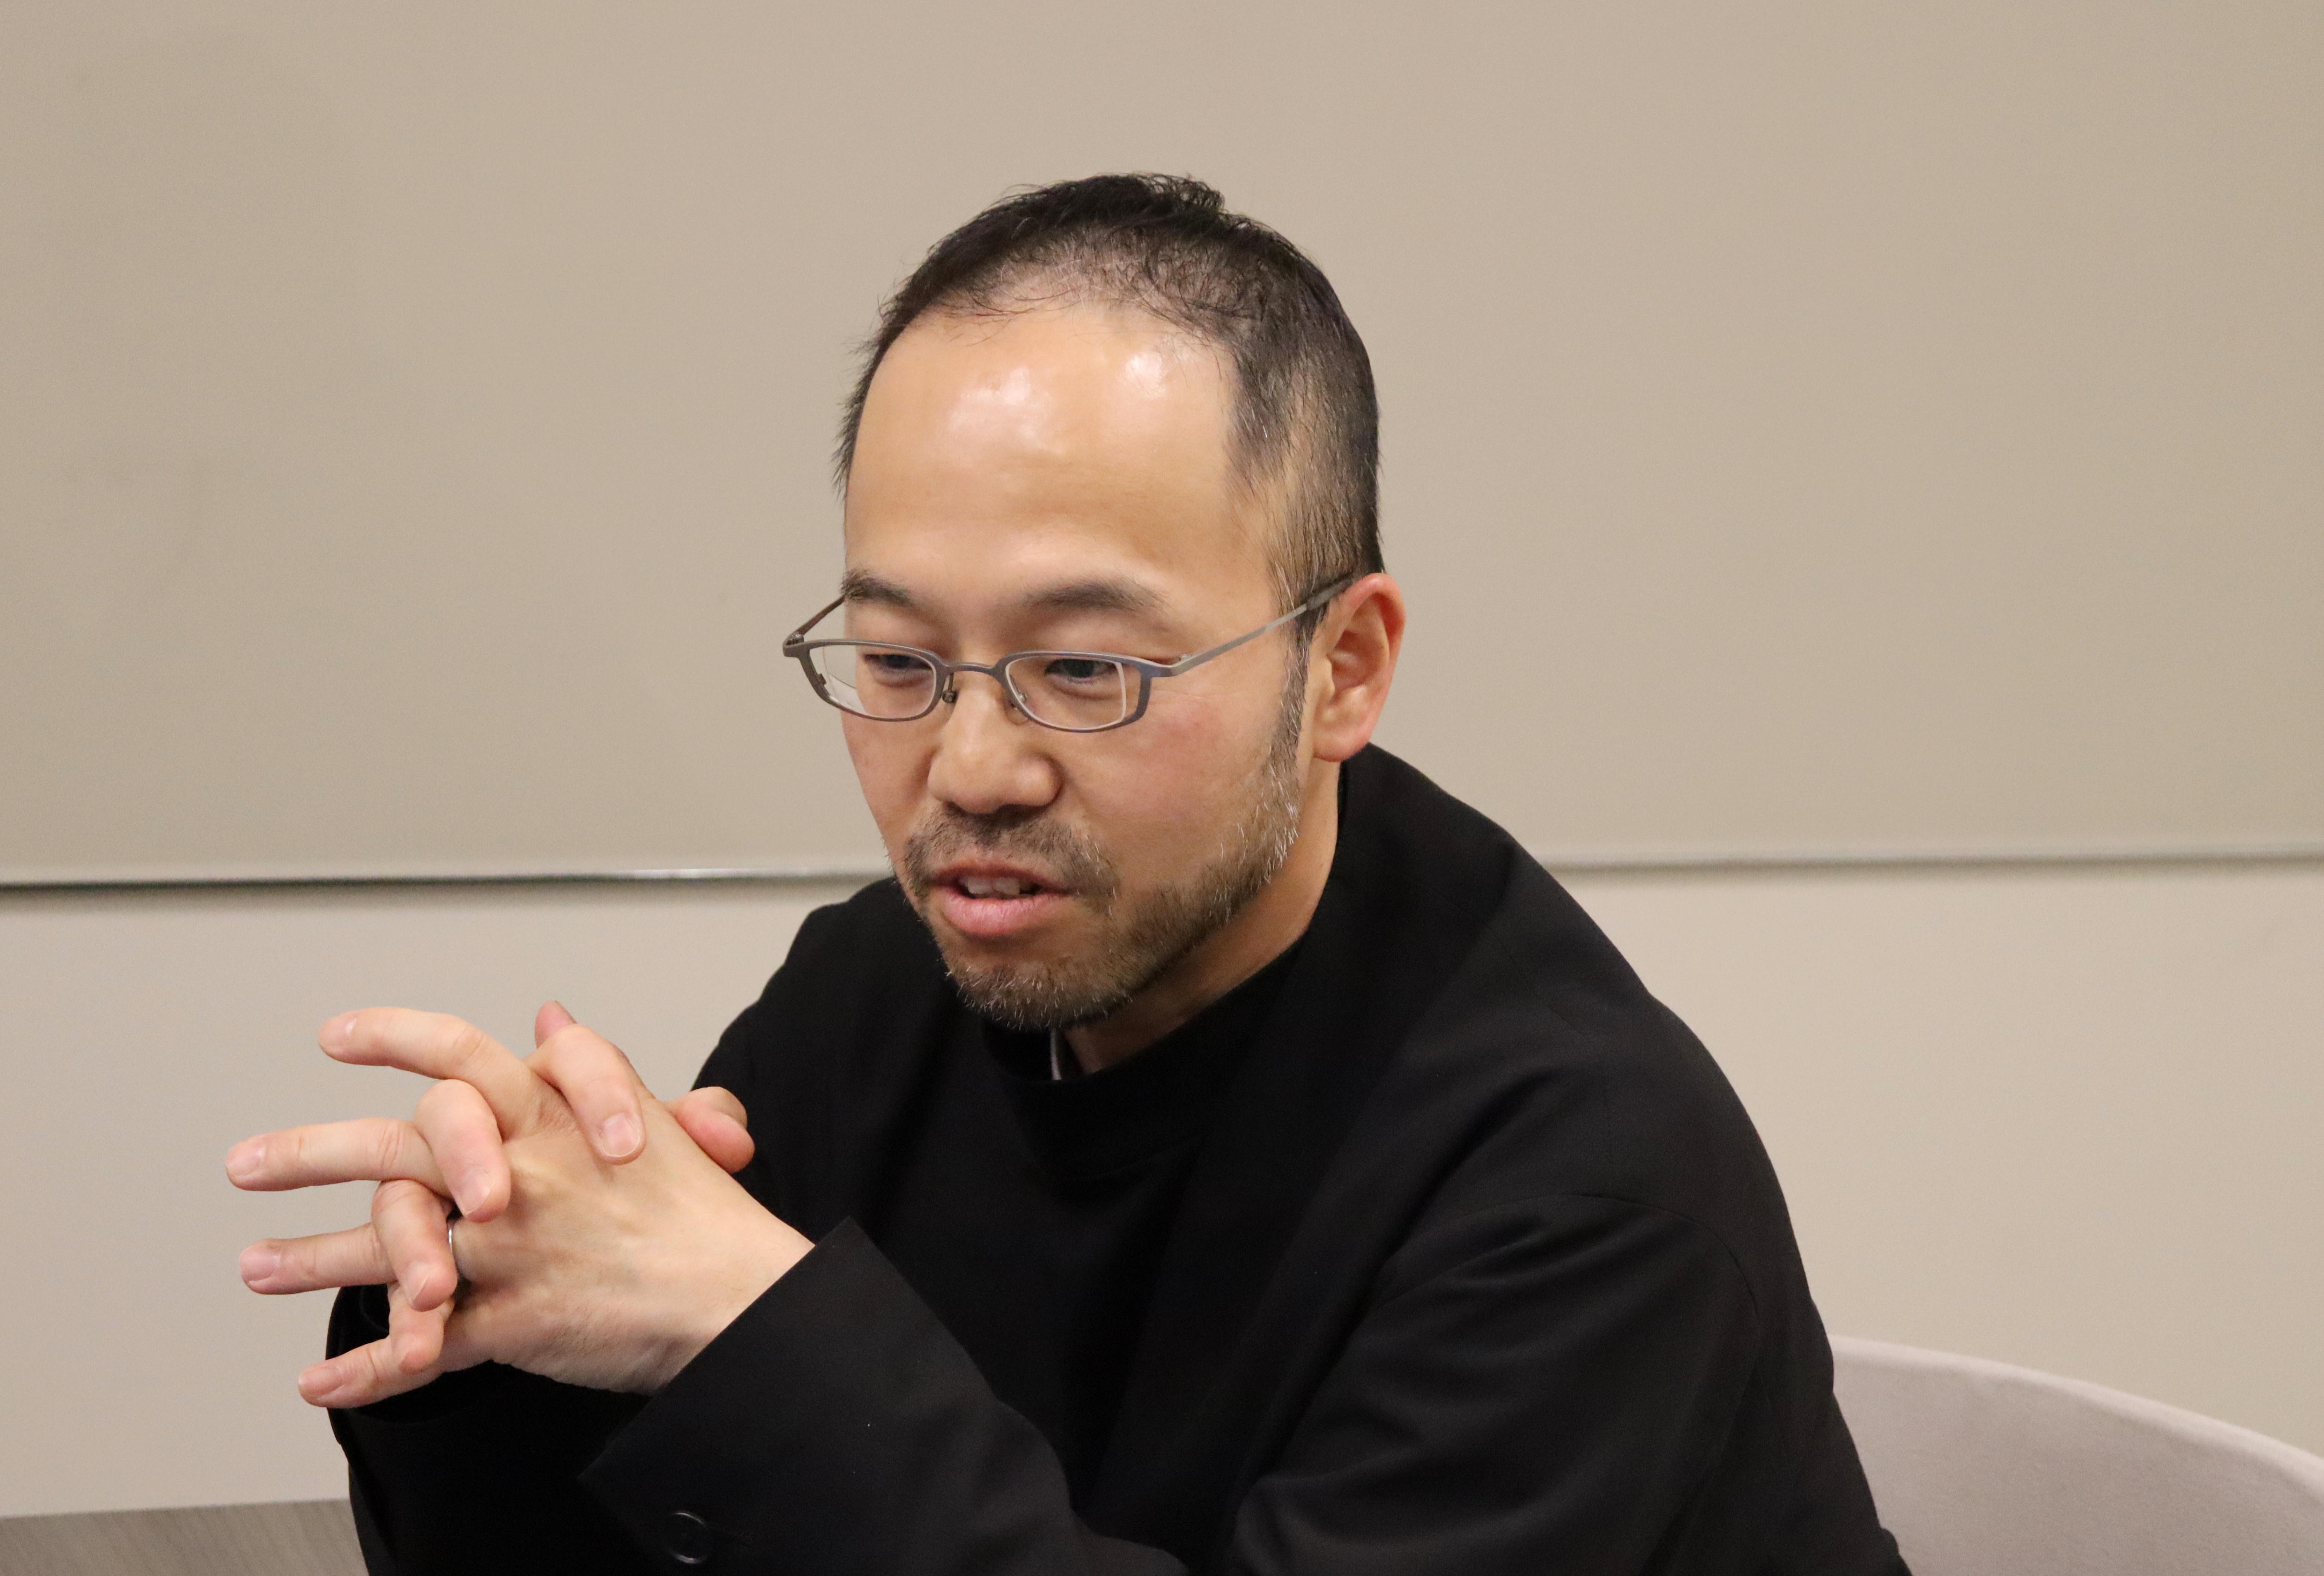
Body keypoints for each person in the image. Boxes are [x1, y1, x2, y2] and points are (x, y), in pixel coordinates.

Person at [228, 174, 1909, 1575]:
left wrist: (753, 1328)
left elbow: (776, 1384)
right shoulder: (877, 995)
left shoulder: (1584, 1180)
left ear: (1342, 669)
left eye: (1086, 668)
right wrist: (493, 1291)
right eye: (900, 661)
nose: (971, 768)